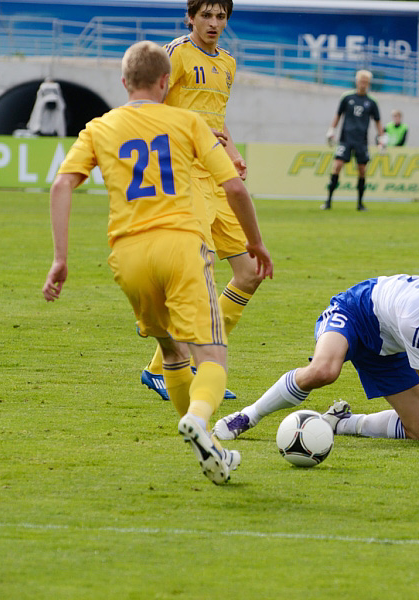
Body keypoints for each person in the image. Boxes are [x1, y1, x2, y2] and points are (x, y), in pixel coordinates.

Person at [41, 41, 273, 484]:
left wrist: (60, 259)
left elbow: (61, 186)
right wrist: (257, 243)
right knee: (212, 357)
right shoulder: (186, 120)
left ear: (124, 81)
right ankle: (200, 420)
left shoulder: (99, 126)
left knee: (171, 352)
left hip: (127, 255)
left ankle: (214, 453)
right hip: (180, 246)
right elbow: (236, 189)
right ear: (167, 82)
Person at [213, 265, 419, 448]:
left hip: (390, 345)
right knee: (324, 371)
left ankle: (340, 422)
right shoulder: (417, 317)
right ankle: (248, 416)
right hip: (357, 312)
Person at [140, 0, 262, 402]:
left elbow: (214, 115)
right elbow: (150, 105)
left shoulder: (227, 63)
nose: (213, 23)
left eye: (220, 16)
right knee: (198, 273)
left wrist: (233, 150)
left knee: (249, 272)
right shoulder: (175, 54)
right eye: (206, 15)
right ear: (190, 17)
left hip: (216, 174)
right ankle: (167, 366)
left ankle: (193, 362)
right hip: (184, 174)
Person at [323, 69, 385, 211]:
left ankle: (360, 203)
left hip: (361, 141)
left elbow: (378, 121)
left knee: (362, 170)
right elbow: (338, 115)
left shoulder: (372, 102)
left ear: (368, 83)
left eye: (366, 82)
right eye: (361, 81)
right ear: (357, 81)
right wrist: (331, 130)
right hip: (345, 139)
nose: (363, 84)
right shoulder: (347, 97)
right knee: (337, 166)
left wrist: (382, 138)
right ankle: (328, 201)